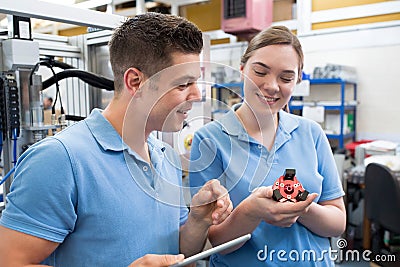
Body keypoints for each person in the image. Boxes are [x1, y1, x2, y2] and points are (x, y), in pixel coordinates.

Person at [0, 12, 232, 267]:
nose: (197, 95)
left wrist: (197, 220)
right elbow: (10, 262)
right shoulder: (60, 160)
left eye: (195, 82)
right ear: (135, 81)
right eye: (182, 84)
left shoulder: (166, 157)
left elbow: (176, 251)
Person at [189, 26, 346, 266]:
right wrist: (251, 211)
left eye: (285, 78)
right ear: (242, 70)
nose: (272, 86)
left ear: (298, 80)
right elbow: (213, 242)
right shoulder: (210, 140)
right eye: (260, 72)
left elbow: (337, 223)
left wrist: (300, 207)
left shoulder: (310, 133)